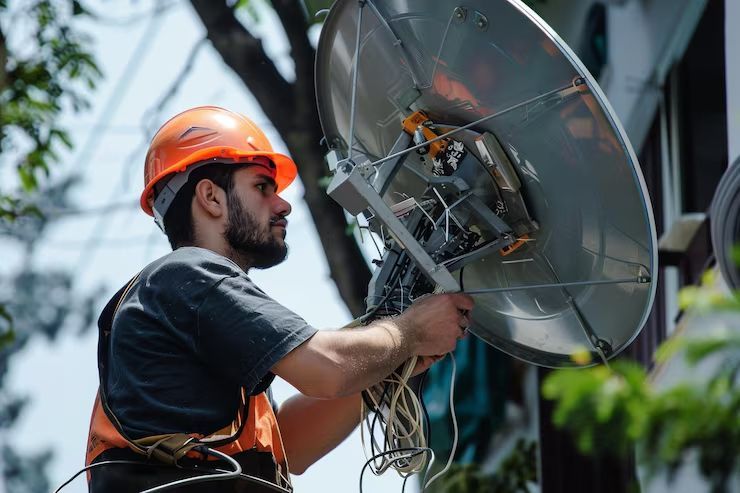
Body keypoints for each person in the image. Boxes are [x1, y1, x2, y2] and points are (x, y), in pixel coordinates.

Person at [84, 106, 474, 492]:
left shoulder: (189, 313)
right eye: (261, 187)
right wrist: (408, 331)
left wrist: (388, 362)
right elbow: (329, 367)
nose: (283, 204)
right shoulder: (186, 275)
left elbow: (291, 446)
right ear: (211, 198)